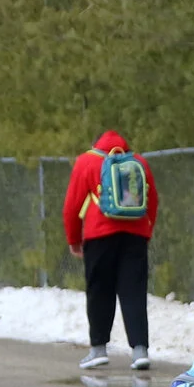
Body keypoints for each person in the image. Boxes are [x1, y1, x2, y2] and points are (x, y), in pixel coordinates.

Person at [61, 130, 159, 371]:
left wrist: (74, 239)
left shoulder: (87, 161)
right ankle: (140, 351)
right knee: (134, 291)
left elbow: (72, 205)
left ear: (95, 143)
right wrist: (146, 231)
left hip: (99, 235)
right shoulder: (139, 162)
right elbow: (153, 200)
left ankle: (98, 350)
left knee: (99, 290)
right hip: (134, 235)